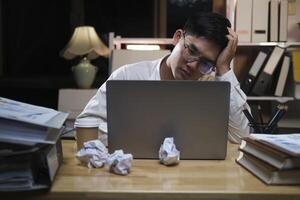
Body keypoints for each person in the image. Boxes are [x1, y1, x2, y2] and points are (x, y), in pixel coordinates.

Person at [75, 12, 250, 149]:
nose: (193, 65)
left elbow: (240, 138)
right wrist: (136, 135)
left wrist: (224, 68)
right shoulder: (129, 77)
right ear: (177, 38)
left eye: (206, 63)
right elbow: (84, 128)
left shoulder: (214, 88)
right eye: (192, 50)